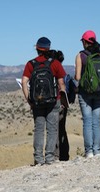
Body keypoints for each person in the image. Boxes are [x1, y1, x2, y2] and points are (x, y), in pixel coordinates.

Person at [22, 37, 66, 165]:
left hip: (37, 102)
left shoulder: (31, 64)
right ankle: (50, 157)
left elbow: (24, 82)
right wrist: (62, 99)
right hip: (53, 101)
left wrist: (29, 100)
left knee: (39, 129)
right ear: (48, 48)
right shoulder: (55, 63)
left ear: (37, 49)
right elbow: (61, 82)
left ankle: (38, 158)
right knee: (52, 129)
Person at [75, 30, 100, 158]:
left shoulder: (80, 56)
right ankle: (97, 150)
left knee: (87, 121)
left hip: (85, 93)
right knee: (96, 121)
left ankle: (89, 152)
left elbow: (77, 77)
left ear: (85, 42)